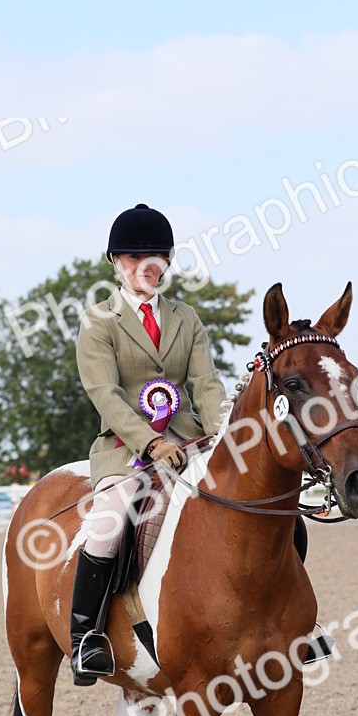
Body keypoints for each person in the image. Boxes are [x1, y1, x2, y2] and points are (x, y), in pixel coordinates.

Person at [70, 203, 227, 685]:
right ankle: (85, 637)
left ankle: (293, 622)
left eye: (155, 256)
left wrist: (226, 435)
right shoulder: (98, 321)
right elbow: (106, 394)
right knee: (108, 522)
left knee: (257, 500)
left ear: (168, 261)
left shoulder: (186, 318)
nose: (145, 265)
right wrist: (149, 443)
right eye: (134, 256)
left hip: (190, 441)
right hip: (126, 449)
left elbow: (206, 384)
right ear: (115, 262)